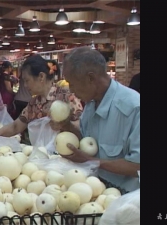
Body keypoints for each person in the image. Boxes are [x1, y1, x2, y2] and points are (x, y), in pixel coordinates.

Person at [59, 46, 140, 192]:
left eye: (72, 83)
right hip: (93, 192)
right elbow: (86, 139)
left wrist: (91, 162)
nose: (71, 90)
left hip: (125, 198)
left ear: (90, 78)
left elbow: (137, 165)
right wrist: (68, 126)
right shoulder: (91, 103)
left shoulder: (134, 108)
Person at [0, 54, 83, 140]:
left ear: (41, 77)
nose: (25, 85)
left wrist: (66, 125)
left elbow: (83, 129)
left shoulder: (67, 98)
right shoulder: (34, 103)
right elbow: (16, 126)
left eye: (27, 80)